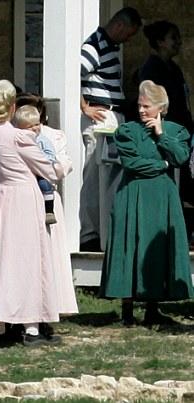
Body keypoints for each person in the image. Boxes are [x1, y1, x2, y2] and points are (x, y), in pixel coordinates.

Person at [0, 84, 63, 347]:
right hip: (21, 200)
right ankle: (31, 328)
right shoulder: (17, 136)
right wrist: (61, 164)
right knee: (27, 261)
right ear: (12, 107)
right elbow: (48, 169)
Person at [100, 80, 194, 326]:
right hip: (133, 190)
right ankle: (127, 309)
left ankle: (153, 306)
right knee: (130, 241)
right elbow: (133, 163)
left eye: (147, 106)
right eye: (140, 106)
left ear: (160, 108)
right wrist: (162, 164)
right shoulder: (127, 131)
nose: (142, 111)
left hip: (162, 195)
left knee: (157, 245)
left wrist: (162, 136)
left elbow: (181, 157)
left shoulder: (176, 131)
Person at [79, 7, 142, 251]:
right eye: (128, 34)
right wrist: (85, 106)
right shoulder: (93, 46)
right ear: (119, 26)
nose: (128, 40)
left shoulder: (109, 47)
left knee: (109, 177)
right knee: (95, 176)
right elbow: (75, 74)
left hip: (112, 115)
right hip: (100, 115)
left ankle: (106, 230)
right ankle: (91, 234)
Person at [15, 93, 79, 325]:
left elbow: (64, 164)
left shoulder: (52, 136)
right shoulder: (12, 134)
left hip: (46, 195)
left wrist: (48, 169)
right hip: (20, 197)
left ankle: (51, 305)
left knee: (49, 252)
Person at [137, 21, 194, 243]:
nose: (178, 42)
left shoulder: (174, 68)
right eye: (173, 38)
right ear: (160, 42)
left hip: (180, 130)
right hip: (164, 132)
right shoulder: (152, 69)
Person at [13, 105, 57, 225]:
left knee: (44, 184)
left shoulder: (42, 140)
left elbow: (51, 155)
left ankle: (49, 210)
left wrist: (42, 159)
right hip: (25, 171)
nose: (34, 128)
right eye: (29, 126)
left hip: (41, 171)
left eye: (37, 124)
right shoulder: (17, 140)